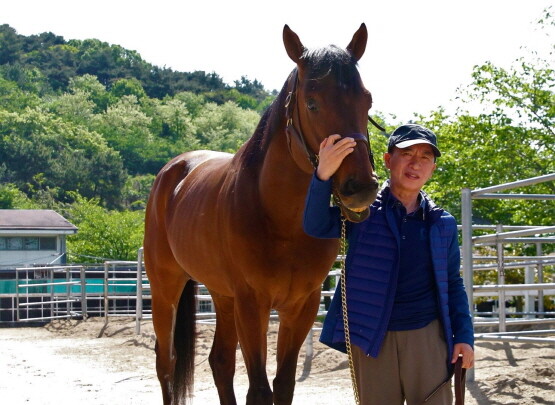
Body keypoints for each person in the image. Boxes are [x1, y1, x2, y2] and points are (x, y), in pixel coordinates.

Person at [303, 124, 474, 405]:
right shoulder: (361, 210)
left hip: (428, 336)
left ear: (432, 168)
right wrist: (323, 174)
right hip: (371, 337)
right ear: (387, 160)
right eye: (407, 154)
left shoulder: (442, 223)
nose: (415, 163)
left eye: (425, 157)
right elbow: (316, 225)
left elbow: (453, 283)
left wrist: (464, 336)